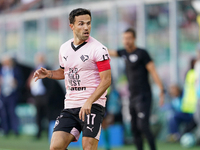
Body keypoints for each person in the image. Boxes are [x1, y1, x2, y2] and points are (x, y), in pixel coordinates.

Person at [33, 8, 111, 150]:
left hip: (92, 105)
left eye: (88, 23)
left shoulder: (99, 49)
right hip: (70, 106)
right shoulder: (64, 48)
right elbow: (64, 72)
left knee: (88, 147)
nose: (86, 27)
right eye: (81, 24)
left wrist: (89, 101)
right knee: (55, 147)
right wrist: (49, 74)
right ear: (72, 26)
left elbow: (106, 80)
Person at [108, 28, 164, 150]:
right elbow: (108, 52)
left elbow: (153, 71)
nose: (126, 41)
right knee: (134, 127)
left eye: (128, 38)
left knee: (143, 125)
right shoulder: (124, 53)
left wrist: (161, 90)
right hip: (132, 96)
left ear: (134, 39)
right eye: (124, 38)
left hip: (143, 96)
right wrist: (90, 46)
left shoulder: (142, 53)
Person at [0, 55, 23, 136]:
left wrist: (15, 83)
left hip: (12, 94)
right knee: (3, 113)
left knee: (12, 112)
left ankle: (15, 130)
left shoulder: (15, 70)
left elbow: (20, 82)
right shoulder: (1, 71)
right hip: (3, 94)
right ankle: (5, 130)